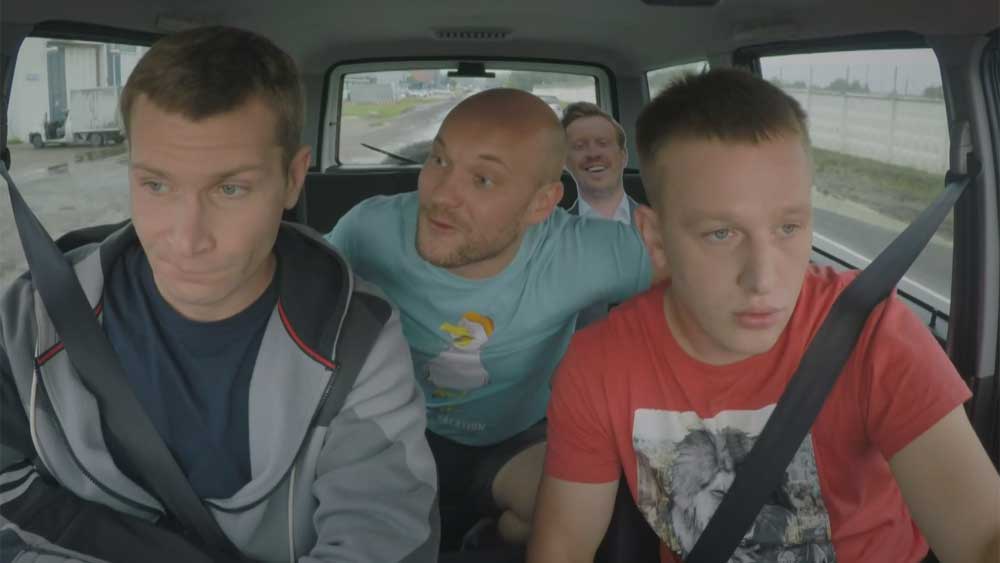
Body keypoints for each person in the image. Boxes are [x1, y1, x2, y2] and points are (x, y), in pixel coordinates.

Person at [0, 26, 438, 562]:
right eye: (156, 185)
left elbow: (384, 534)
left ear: (293, 178)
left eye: (230, 189)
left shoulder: (357, 339)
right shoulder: (33, 316)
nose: (187, 240)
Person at [528, 68, 1000, 563]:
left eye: (788, 227)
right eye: (721, 234)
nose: (764, 279)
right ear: (656, 237)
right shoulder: (598, 365)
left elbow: (983, 535)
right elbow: (563, 545)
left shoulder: (871, 331)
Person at [325, 88, 654, 546]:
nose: (441, 196)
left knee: (583, 508)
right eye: (439, 160)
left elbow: (709, 268)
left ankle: (491, 539)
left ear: (541, 203)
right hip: (392, 430)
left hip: (517, 441)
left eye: (483, 179)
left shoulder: (581, 252)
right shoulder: (369, 229)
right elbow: (300, 287)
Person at [562, 101, 639, 225]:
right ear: (564, 161)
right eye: (579, 146)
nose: (593, 154)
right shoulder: (551, 232)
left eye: (603, 143)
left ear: (623, 156)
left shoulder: (661, 224)